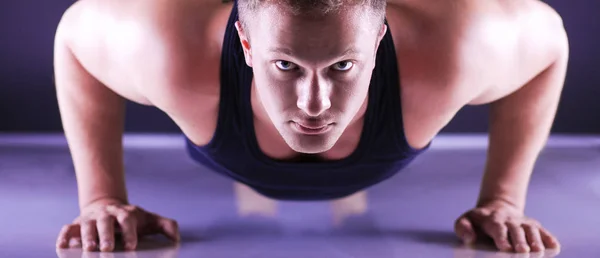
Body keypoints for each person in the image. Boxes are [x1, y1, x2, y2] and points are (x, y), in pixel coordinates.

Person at [53, 0, 568, 254]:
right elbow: (74, 36)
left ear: (378, 42)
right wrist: (100, 197)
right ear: (247, 46)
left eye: (342, 66)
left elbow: (551, 43)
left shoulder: (452, 53)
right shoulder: (172, 57)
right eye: (286, 66)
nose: (315, 104)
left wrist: (504, 198)